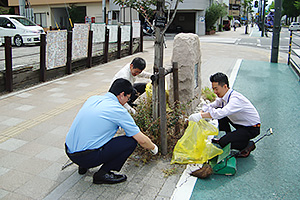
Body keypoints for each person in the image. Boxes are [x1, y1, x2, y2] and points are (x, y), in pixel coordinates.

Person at [65, 78, 158, 184]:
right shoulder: (118, 110)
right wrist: (154, 148)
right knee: (130, 141)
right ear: (121, 94)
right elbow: (142, 140)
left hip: (69, 151)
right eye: (127, 98)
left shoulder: (93, 98)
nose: (127, 101)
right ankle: (103, 174)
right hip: (86, 157)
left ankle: (83, 166)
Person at [189, 72, 261, 157]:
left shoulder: (235, 99)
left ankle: (247, 144)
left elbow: (220, 113)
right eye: (213, 89)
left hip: (251, 128)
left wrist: (200, 116)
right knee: (220, 113)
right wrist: (201, 111)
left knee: (223, 142)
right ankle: (230, 136)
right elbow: (213, 105)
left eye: (216, 89)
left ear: (225, 86)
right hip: (239, 123)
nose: (215, 92)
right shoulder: (223, 96)